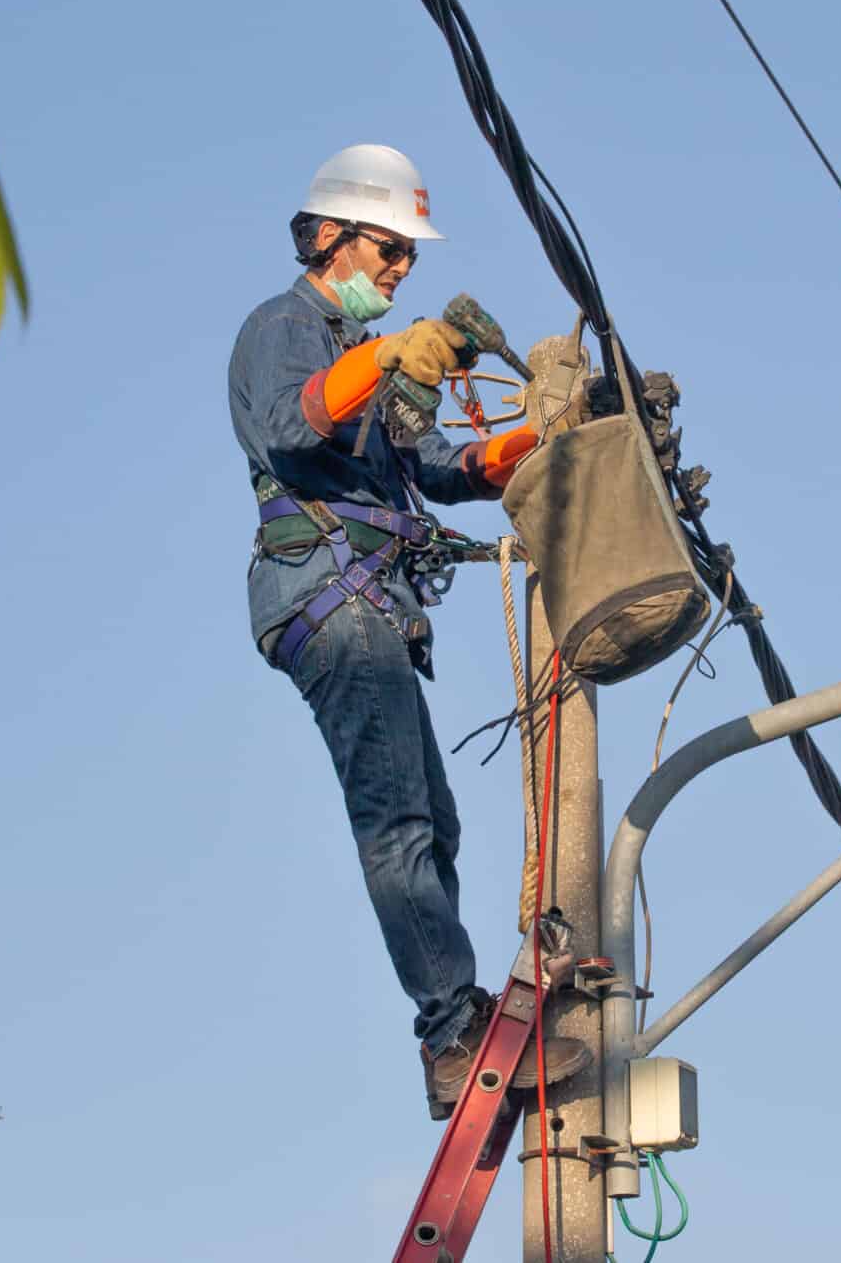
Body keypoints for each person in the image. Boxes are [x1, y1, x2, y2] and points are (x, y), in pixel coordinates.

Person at [227, 144, 586, 1118]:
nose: (398, 271)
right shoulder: (281, 330)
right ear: (329, 237)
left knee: (435, 823)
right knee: (398, 827)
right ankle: (449, 1032)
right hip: (324, 597)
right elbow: (290, 426)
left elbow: (441, 468)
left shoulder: (368, 364)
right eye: (387, 250)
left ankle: (451, 1014)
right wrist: (382, 358)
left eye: (407, 259)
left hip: (373, 606)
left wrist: (545, 437)